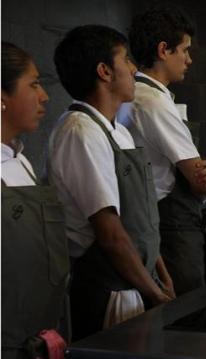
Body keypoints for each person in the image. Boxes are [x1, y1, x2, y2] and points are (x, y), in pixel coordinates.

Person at [49, 25, 175, 340]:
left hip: (139, 282)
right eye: (126, 60)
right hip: (110, 289)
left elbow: (140, 219)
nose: (134, 69)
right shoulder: (81, 132)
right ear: (104, 71)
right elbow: (111, 235)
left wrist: (161, 276)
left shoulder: (118, 130)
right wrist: (155, 294)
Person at [119, 6, 206, 297]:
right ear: (164, 50)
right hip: (171, 222)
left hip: (155, 217)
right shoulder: (153, 101)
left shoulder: (135, 95)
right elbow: (198, 178)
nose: (188, 59)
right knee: (188, 312)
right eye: (184, 50)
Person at [1, 42, 69, 359]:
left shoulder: (22, 161)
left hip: (41, 337)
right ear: (2, 99)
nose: (44, 96)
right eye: (33, 84)